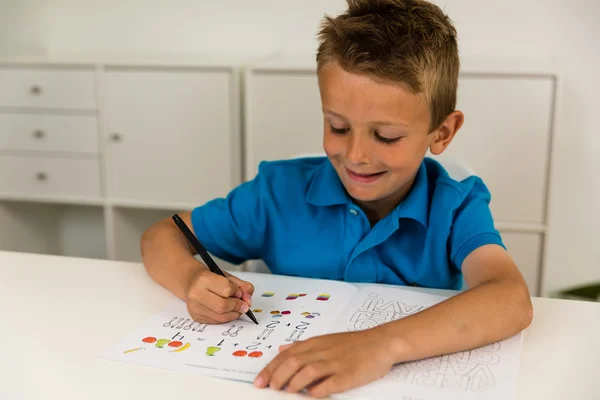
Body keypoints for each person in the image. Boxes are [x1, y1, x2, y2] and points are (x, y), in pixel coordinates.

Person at [140, 0, 533, 397]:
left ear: (442, 133)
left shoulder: (455, 206)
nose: (356, 155)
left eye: (387, 136)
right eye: (338, 127)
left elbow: (510, 299)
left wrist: (381, 344)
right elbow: (162, 235)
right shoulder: (277, 193)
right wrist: (191, 280)